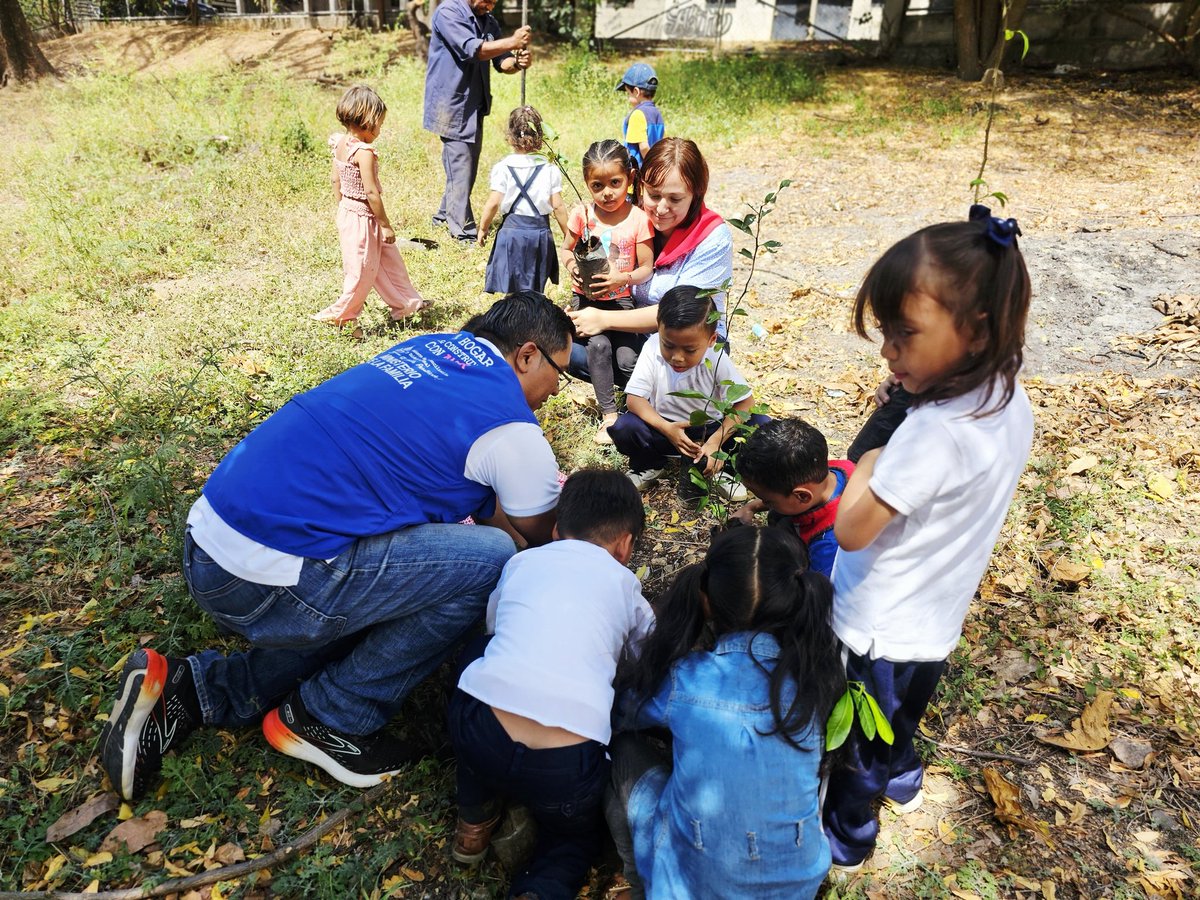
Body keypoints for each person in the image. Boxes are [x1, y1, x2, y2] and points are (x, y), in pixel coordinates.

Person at [98, 293, 574, 802]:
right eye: (560, 373)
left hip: (213, 541)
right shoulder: (510, 427)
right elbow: (542, 534)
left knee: (414, 571)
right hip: (268, 576)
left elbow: (476, 499)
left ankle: (196, 692)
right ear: (527, 355)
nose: (556, 391)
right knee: (490, 558)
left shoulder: (433, 350)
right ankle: (334, 715)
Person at [823, 208, 1034, 874]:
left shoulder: (928, 435)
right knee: (902, 714)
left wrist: (874, 456)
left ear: (977, 333)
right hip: (935, 616)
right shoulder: (1009, 398)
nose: (888, 351)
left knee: (859, 740)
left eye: (904, 334)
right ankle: (904, 775)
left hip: (875, 624)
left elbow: (851, 531)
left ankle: (848, 836)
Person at [605, 526, 845, 900]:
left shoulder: (687, 678)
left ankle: (638, 881)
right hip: (797, 881)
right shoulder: (820, 676)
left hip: (692, 884)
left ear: (706, 600)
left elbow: (622, 714)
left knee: (622, 750)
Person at [447, 469, 653, 900]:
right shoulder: (626, 583)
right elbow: (646, 656)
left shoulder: (523, 561)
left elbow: (494, 624)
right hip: (567, 762)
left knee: (479, 658)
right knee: (571, 838)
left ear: (557, 529)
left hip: (483, 731)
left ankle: (474, 819)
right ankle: (539, 890)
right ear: (626, 545)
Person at [567, 138, 732, 383]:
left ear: (696, 195)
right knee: (563, 348)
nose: (661, 209)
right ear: (640, 185)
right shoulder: (634, 220)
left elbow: (683, 316)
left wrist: (602, 319)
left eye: (675, 199)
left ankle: (669, 398)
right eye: (654, 195)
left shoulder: (712, 238)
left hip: (685, 347)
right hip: (631, 332)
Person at [608, 286, 766, 499]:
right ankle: (650, 464)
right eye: (669, 345)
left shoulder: (716, 357)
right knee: (624, 426)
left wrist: (715, 442)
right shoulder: (652, 346)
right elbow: (635, 399)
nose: (677, 357)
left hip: (709, 429)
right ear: (659, 330)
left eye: (690, 350)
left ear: (711, 340)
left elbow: (745, 404)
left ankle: (725, 467)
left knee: (761, 424)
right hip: (664, 429)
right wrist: (666, 428)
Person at [313, 85, 429, 334]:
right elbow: (371, 192)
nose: (380, 130)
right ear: (367, 122)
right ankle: (343, 317)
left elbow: (336, 180)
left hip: (351, 213)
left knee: (389, 262)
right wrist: (385, 224)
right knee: (362, 270)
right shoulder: (364, 152)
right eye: (379, 124)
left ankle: (406, 305)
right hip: (364, 219)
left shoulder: (341, 143)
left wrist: (343, 207)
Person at [560, 140, 653, 444]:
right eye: (597, 185)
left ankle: (640, 401)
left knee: (627, 359)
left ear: (630, 178)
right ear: (587, 184)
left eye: (615, 183)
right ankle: (609, 415)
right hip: (586, 300)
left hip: (621, 302)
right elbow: (565, 249)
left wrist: (621, 279)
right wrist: (573, 265)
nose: (607, 192)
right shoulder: (582, 214)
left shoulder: (639, 219)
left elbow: (645, 269)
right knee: (598, 348)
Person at [423, 0, 532, 243]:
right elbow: (472, 50)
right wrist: (513, 41)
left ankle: (443, 215)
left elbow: (501, 60)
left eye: (495, 2)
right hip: (451, 104)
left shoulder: (487, 20)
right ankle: (463, 233)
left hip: (474, 104)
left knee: (467, 165)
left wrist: (516, 62)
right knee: (461, 165)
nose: (491, 6)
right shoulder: (448, 13)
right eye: (488, 0)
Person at [733, 418, 855, 579]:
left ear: (802, 496)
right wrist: (752, 507)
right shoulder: (835, 469)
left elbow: (818, 592)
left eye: (768, 501)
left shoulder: (828, 545)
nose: (764, 503)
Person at [477, 106, 569, 295]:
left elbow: (493, 203)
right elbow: (558, 206)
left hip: (511, 234)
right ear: (540, 136)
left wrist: (483, 228)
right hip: (538, 234)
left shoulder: (503, 167)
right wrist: (570, 236)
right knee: (535, 289)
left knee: (511, 287)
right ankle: (532, 319)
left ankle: (512, 317)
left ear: (510, 137)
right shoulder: (549, 168)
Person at [616, 62, 665, 170]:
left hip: (638, 171)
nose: (628, 97)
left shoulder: (637, 115)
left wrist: (651, 168)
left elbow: (643, 147)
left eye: (628, 93)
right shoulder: (657, 113)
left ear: (636, 91)